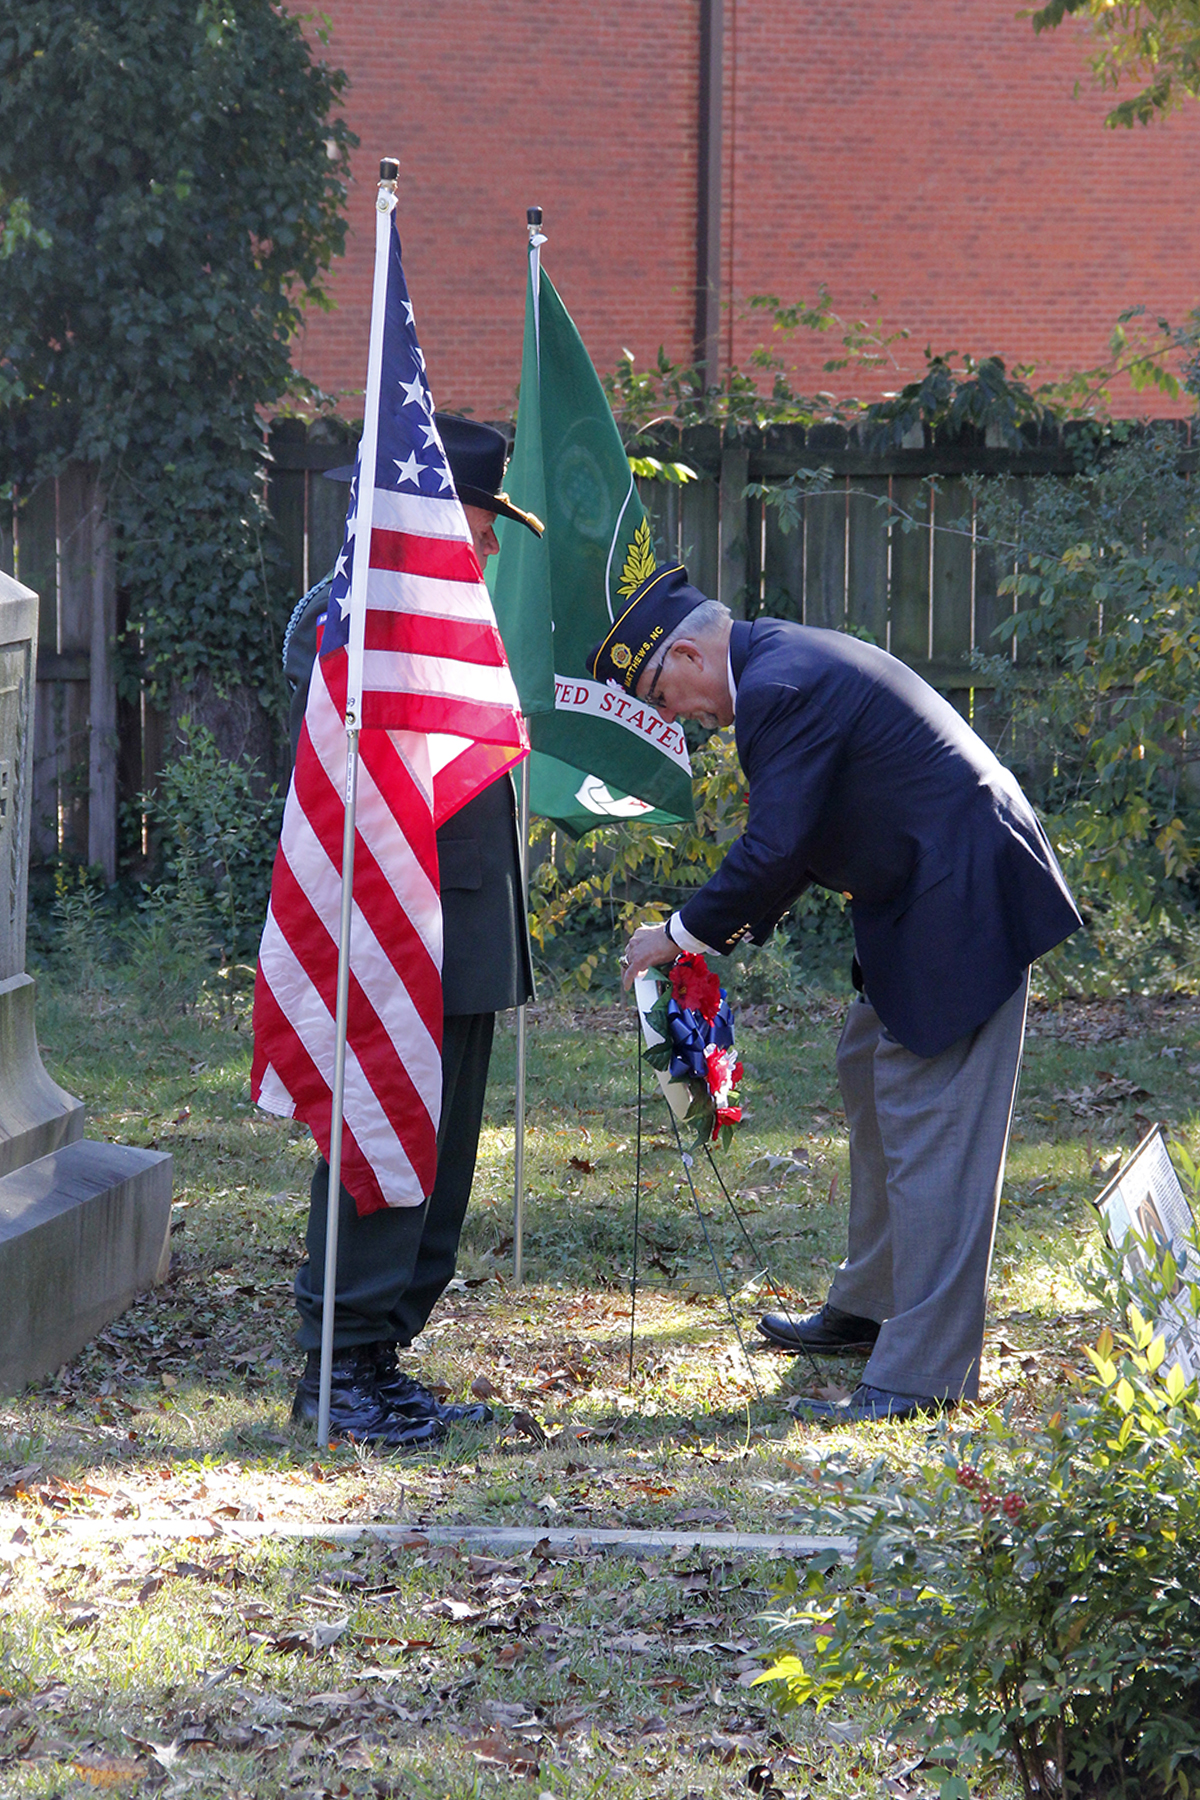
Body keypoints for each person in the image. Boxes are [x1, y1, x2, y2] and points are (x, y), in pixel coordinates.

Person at [599, 563, 1081, 1422]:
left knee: (932, 1122)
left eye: (662, 696)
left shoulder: (781, 685)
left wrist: (676, 935)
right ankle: (867, 1304)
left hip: (963, 896)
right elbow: (806, 835)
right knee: (866, 1062)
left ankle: (920, 1376)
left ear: (686, 653)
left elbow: (777, 848)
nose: (674, 717)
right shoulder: (782, 665)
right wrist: (711, 936)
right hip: (928, 894)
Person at [282, 415, 541, 1446]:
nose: (487, 544)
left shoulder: (451, 610)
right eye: (481, 520)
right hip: (396, 929)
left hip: (465, 927)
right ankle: (337, 1364)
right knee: (382, 1139)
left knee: (438, 1161)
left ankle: (380, 1355)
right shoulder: (354, 615)